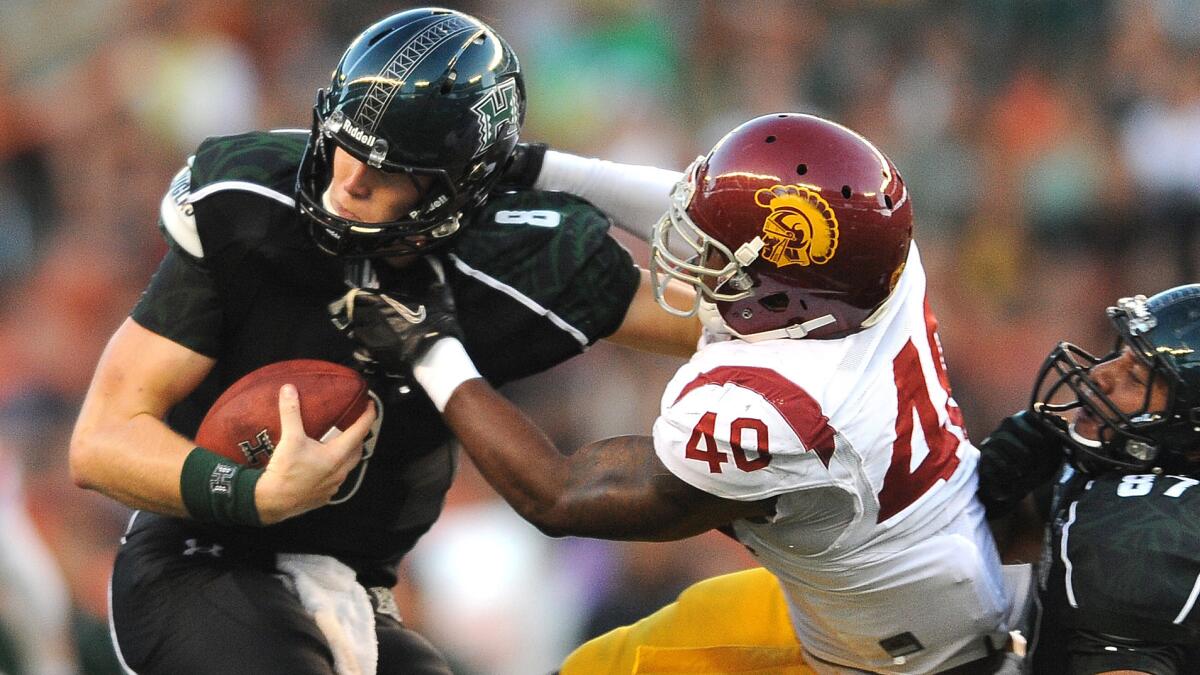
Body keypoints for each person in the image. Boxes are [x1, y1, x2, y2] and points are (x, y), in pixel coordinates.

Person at [67, 7, 700, 675]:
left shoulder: (515, 257)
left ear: (462, 185)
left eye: (389, 168)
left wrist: (555, 168)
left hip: (360, 590)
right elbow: (100, 441)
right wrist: (254, 492)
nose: (348, 180)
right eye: (344, 143)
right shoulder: (252, 205)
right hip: (200, 554)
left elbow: (740, 311)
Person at [362, 113, 1028, 674]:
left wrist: (429, 346)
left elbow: (560, 492)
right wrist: (536, 166)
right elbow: (708, 212)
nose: (697, 258)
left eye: (714, 254)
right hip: (891, 599)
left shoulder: (783, 410)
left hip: (891, 660)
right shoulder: (867, 263)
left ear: (780, 294)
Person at [976, 284, 1200, 674]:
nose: (1098, 374)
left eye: (1136, 377)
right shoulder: (1121, 470)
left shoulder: (1145, 539)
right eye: (1119, 354)